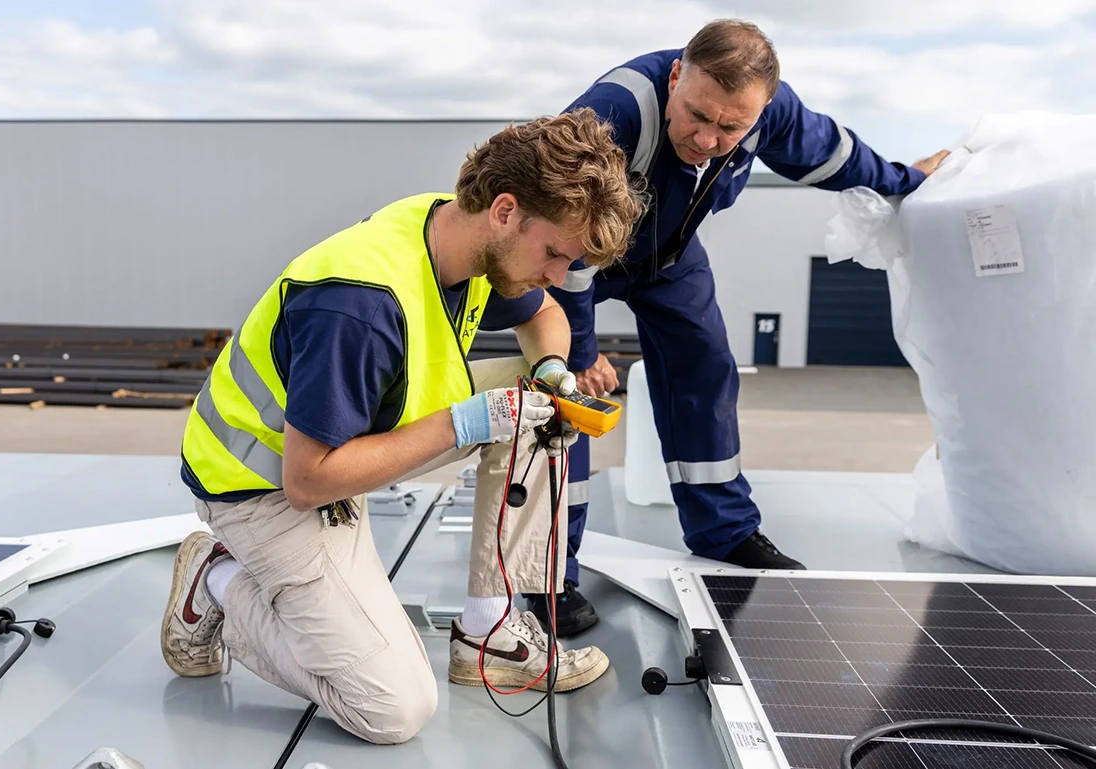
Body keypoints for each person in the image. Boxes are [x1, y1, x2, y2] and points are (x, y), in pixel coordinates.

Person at [158, 110, 645, 745]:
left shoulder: (456, 232)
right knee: (393, 709)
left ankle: (490, 628)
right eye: (554, 253)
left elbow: (547, 317)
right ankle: (217, 579)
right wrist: (465, 423)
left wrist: (552, 371)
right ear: (505, 211)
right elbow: (308, 483)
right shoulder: (359, 304)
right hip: (263, 487)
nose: (557, 275)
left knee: (541, 404)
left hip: (349, 441)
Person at [524, 19, 952, 637]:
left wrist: (907, 180)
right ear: (677, 76)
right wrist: (582, 349)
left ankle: (723, 532)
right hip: (568, 257)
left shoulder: (769, 113)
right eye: (697, 115)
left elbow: (837, 157)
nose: (707, 139)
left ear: (762, 110)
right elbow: (564, 247)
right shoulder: (612, 115)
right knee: (565, 398)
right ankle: (546, 574)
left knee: (706, 365)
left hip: (666, 253)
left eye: (731, 128)